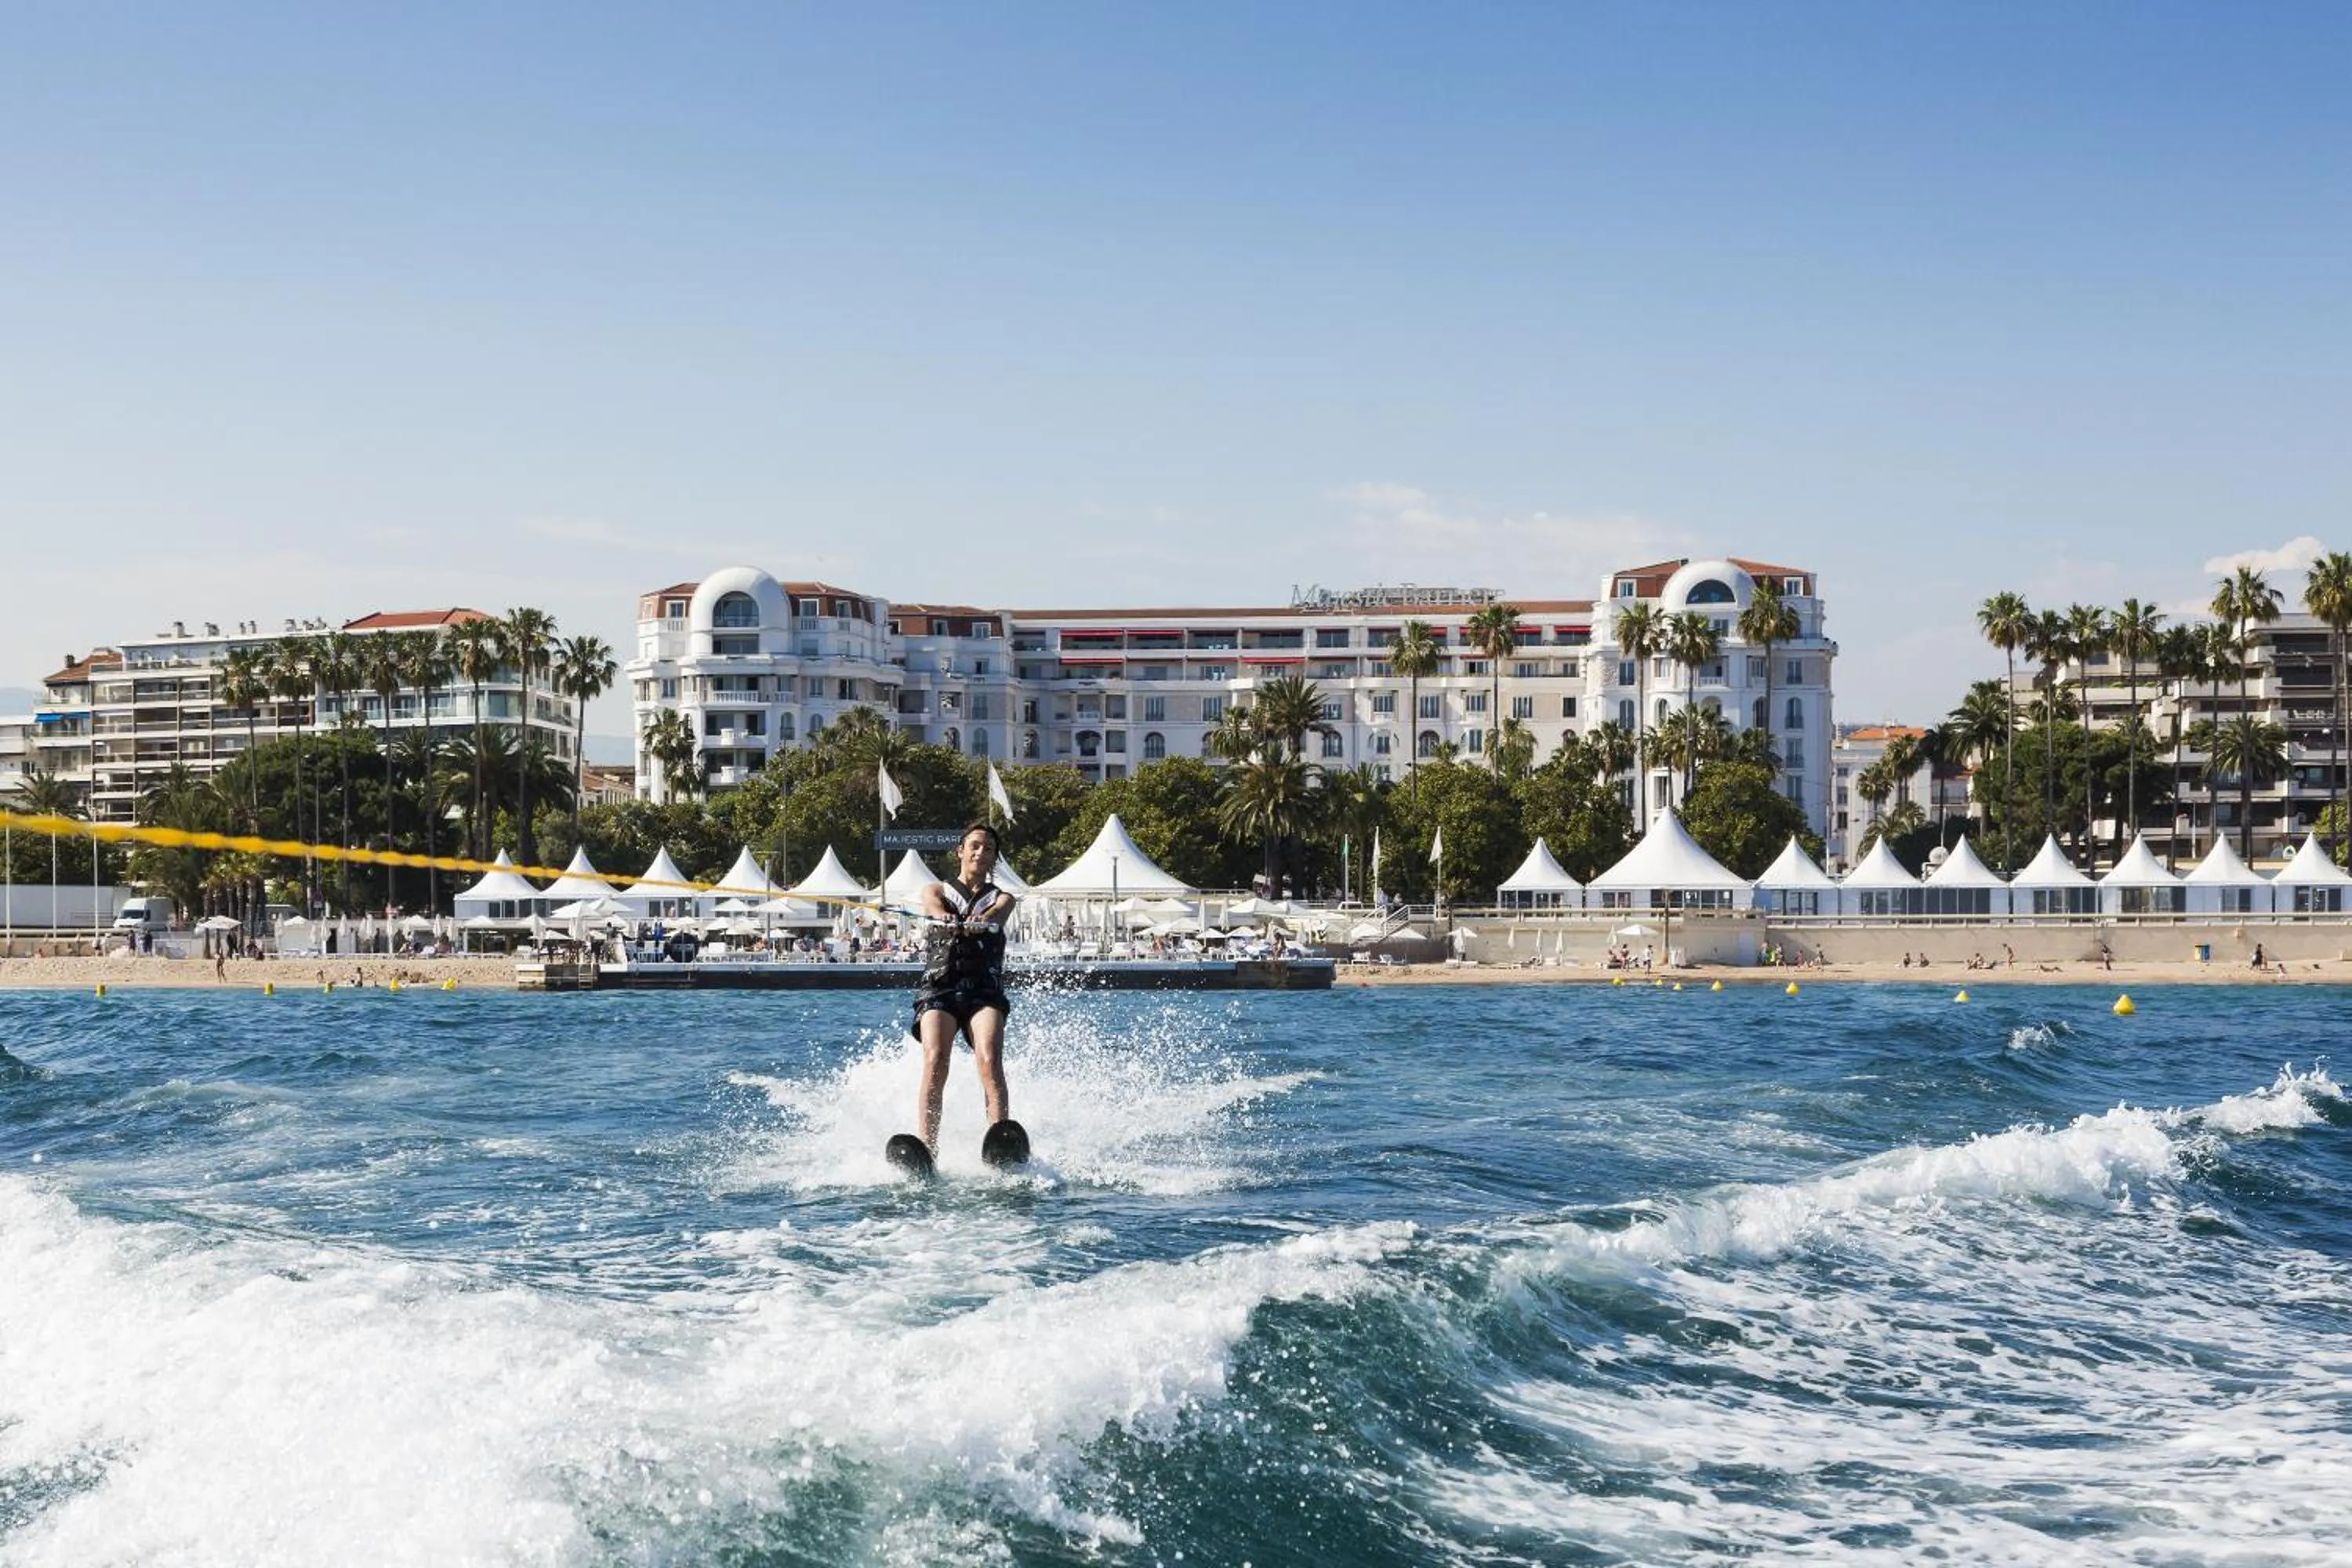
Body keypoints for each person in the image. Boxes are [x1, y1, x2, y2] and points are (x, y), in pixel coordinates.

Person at [912, 822, 1019, 1153]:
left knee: (989, 1058)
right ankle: (927, 1147)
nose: (980, 852)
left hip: (983, 992)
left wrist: (981, 919)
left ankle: (1000, 1137)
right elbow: (932, 906)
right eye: (974, 846)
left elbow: (999, 914)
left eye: (988, 849)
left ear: (994, 858)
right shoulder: (936, 890)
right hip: (940, 989)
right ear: (960, 851)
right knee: (936, 1057)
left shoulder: (1003, 897)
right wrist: (944, 917)